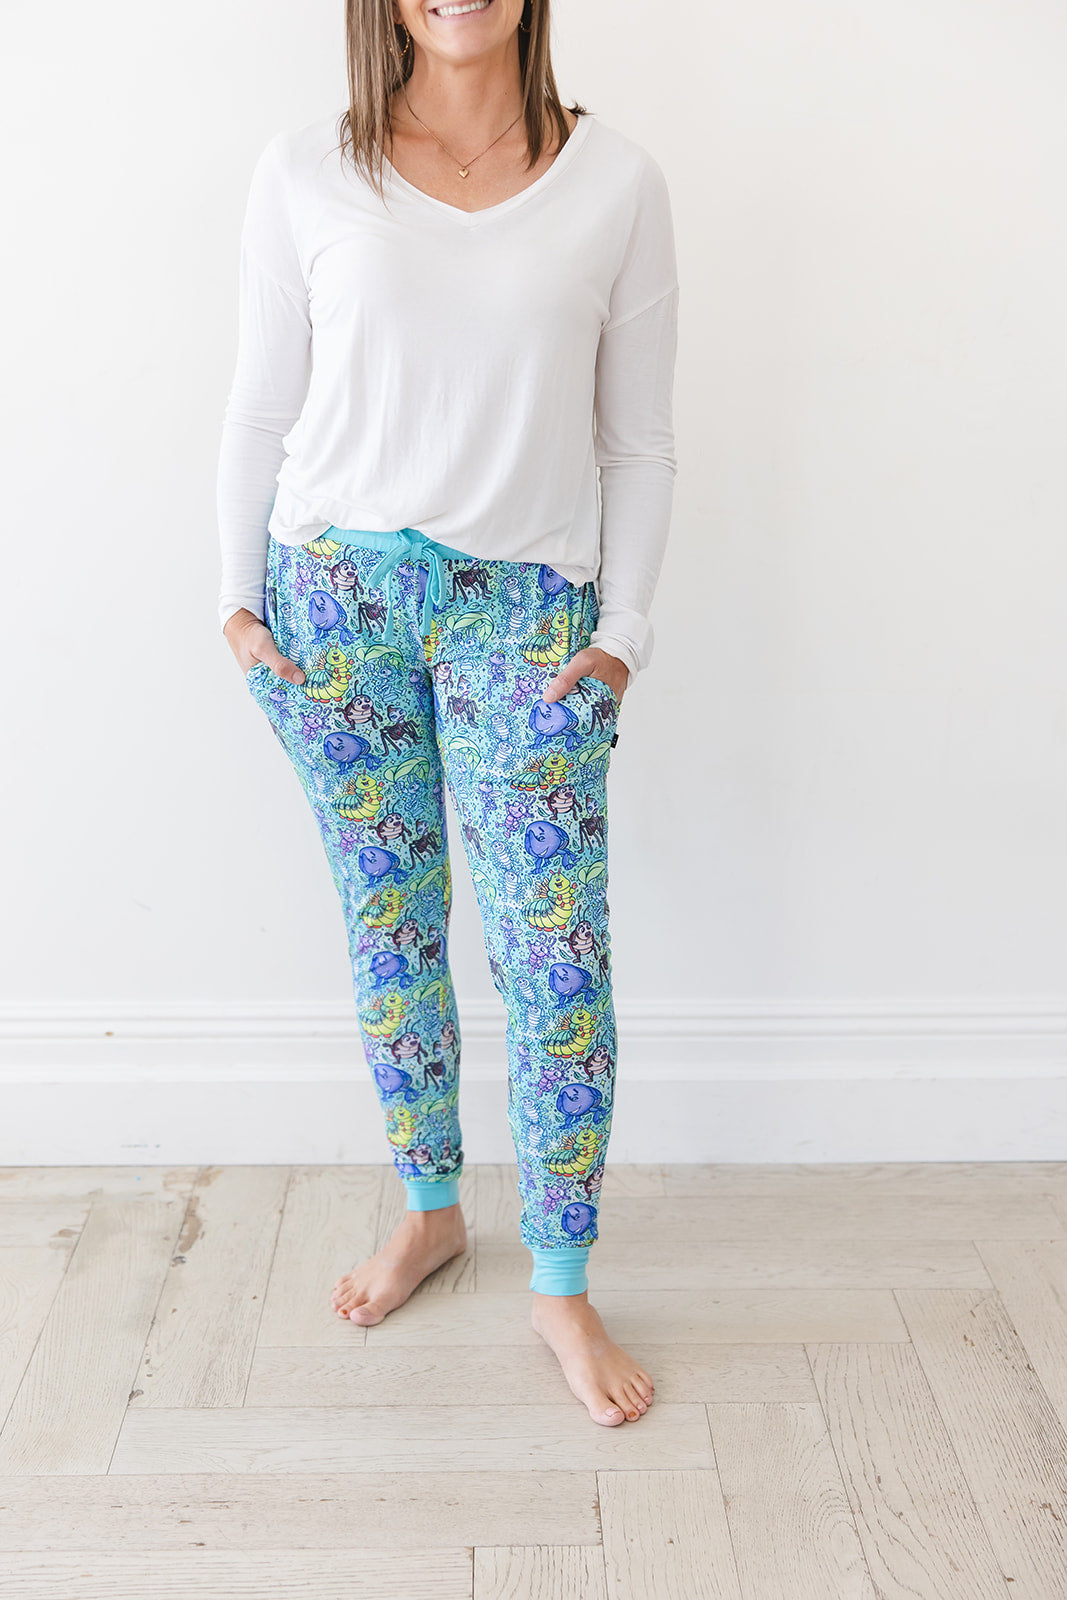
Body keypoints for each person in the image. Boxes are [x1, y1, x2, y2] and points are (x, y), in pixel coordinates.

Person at [217, 0, 678, 1428]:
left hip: (527, 617)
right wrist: (236, 605)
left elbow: (639, 441)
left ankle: (560, 1280)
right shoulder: (307, 169)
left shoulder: (617, 182)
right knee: (392, 923)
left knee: (553, 953)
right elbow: (261, 408)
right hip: (333, 605)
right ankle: (429, 1209)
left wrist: (619, 641)